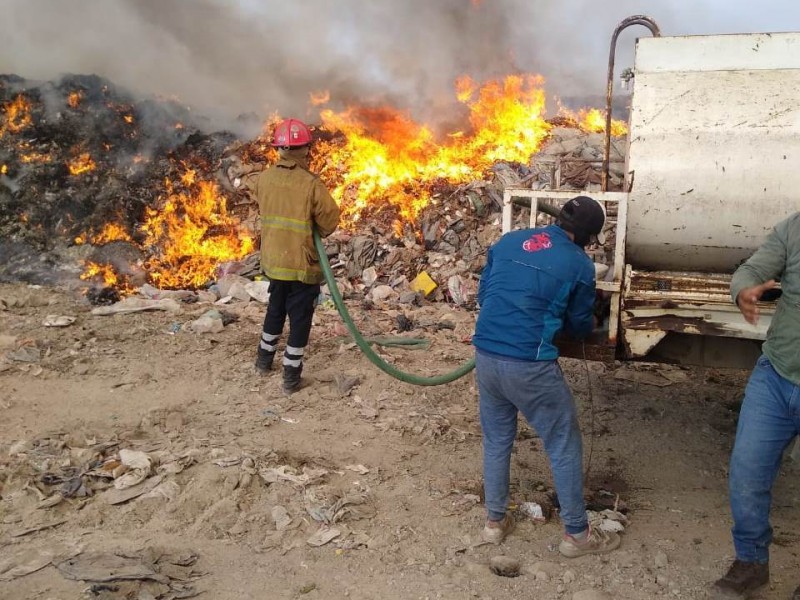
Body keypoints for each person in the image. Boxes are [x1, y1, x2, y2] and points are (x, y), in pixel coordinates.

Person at [471, 196, 620, 557]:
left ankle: (494, 523)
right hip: (530, 364)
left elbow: (483, 293)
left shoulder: (508, 241)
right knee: (562, 442)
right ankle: (577, 536)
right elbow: (580, 325)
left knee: (497, 440)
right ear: (588, 237)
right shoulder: (578, 263)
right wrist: (594, 320)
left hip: (486, 357)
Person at [712, 213, 800, 600]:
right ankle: (751, 562)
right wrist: (744, 289)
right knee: (747, 473)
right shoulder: (794, 227)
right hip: (776, 373)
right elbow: (753, 268)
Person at [249, 118, 340, 394]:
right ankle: (291, 375)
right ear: (304, 150)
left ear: (278, 149)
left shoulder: (263, 179)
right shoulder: (310, 184)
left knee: (275, 309)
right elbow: (330, 220)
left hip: (274, 262)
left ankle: (264, 361)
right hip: (301, 265)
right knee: (300, 318)